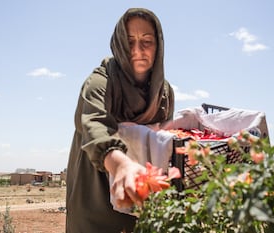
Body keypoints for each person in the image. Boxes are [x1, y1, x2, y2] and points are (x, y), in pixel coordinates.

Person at [66, 8, 175, 233]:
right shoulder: (100, 81)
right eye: (129, 41)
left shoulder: (163, 93)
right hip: (96, 193)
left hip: (142, 194)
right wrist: (122, 165)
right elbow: (95, 127)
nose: (138, 50)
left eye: (147, 41)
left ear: (159, 46)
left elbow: (164, 141)